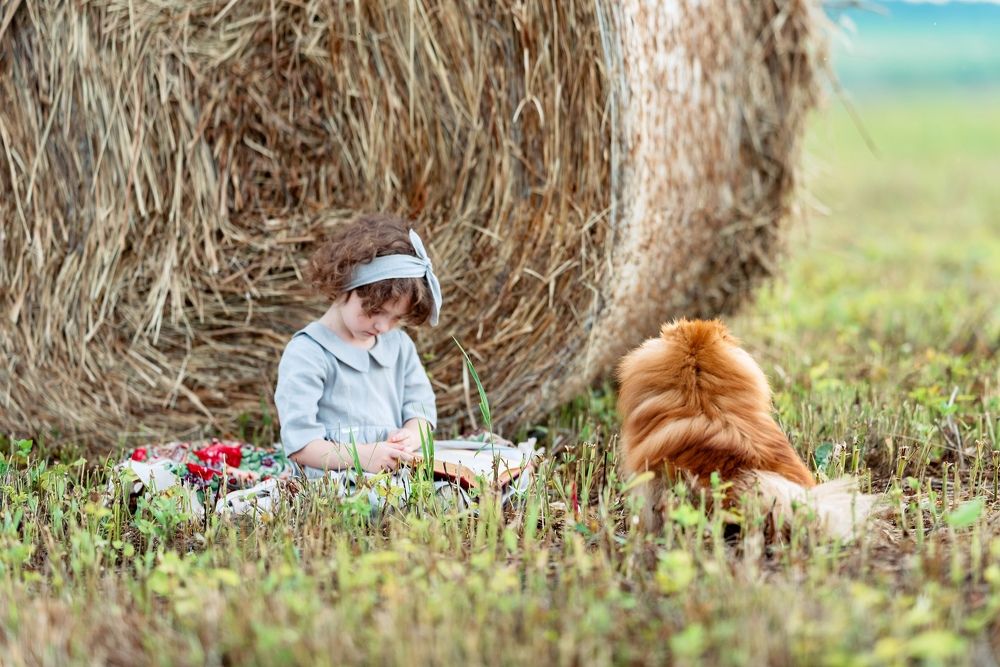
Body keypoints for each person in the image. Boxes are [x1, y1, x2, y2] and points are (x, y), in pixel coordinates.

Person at [274, 213, 442, 479]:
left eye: (396, 318)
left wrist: (411, 434)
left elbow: (421, 409)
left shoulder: (399, 347)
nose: (383, 327)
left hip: (392, 469)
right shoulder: (309, 353)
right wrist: (362, 456)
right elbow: (301, 445)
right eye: (375, 310)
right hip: (336, 474)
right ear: (345, 285)